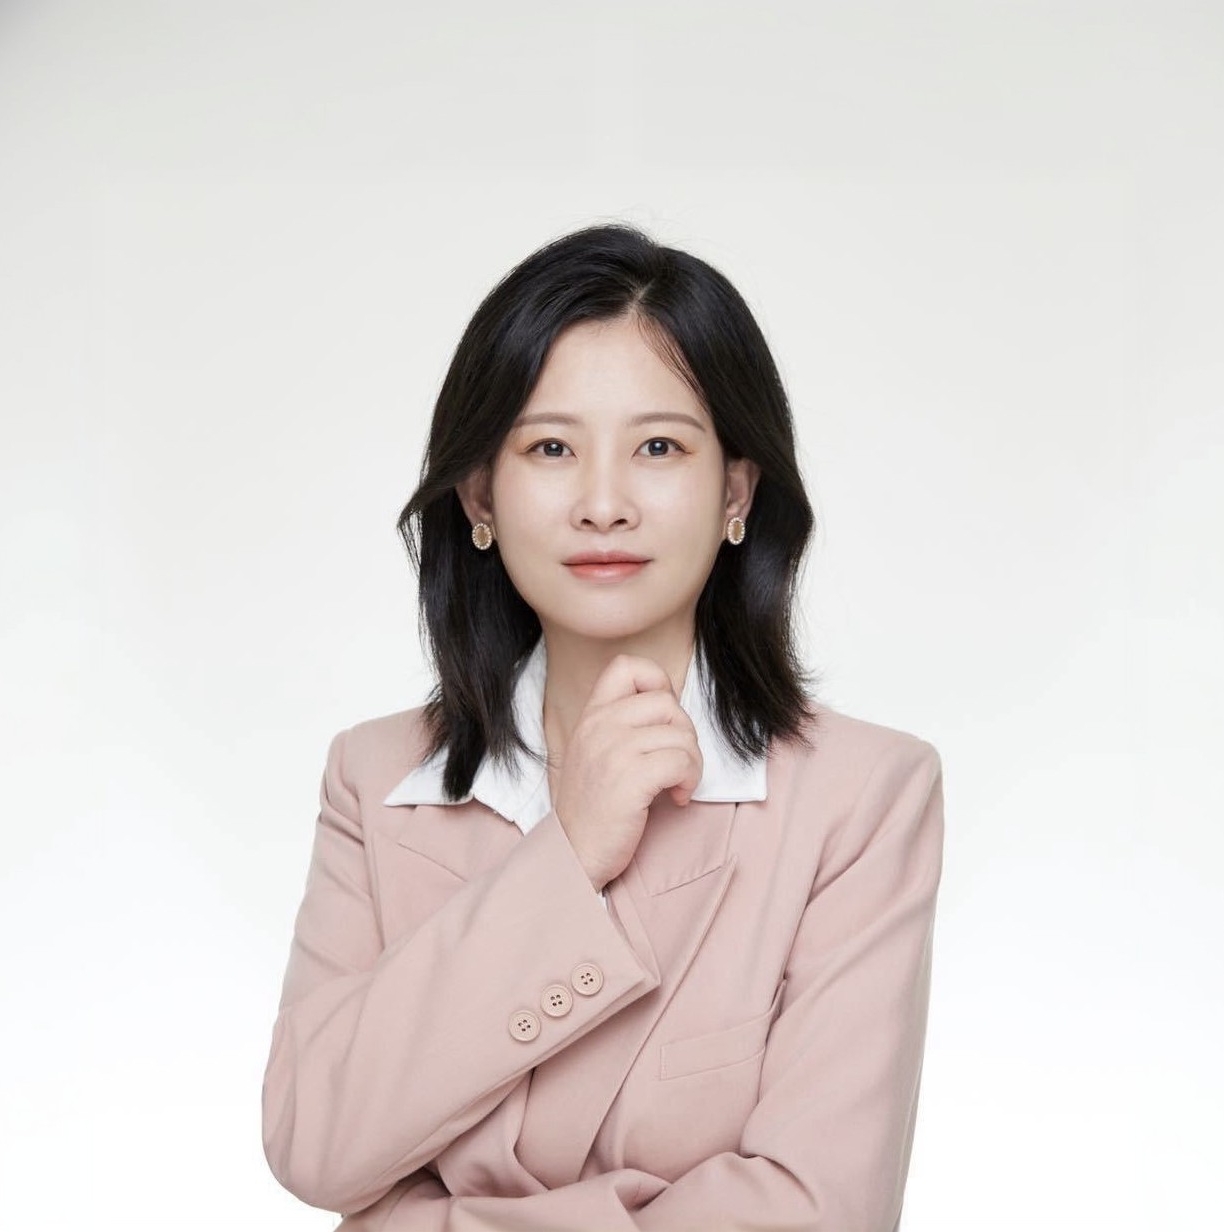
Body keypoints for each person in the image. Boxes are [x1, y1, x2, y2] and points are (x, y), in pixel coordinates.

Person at [261, 224, 944, 1231]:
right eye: (551, 448)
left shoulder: (863, 796)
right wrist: (567, 851)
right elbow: (316, 1142)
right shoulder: (376, 780)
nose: (604, 503)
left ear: (736, 491)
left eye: (659, 447)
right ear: (481, 495)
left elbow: (817, 1210)